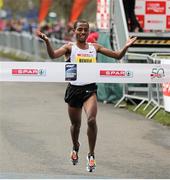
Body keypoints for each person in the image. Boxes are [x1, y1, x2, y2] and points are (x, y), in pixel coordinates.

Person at [36, 20, 136, 172]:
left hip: (90, 90)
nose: (83, 32)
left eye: (86, 30)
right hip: (74, 90)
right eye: (80, 29)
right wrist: (48, 42)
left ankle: (91, 155)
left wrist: (126, 47)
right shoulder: (69, 47)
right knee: (76, 125)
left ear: (89, 32)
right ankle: (75, 146)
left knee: (91, 119)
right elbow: (53, 55)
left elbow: (117, 56)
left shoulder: (94, 47)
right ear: (74, 31)